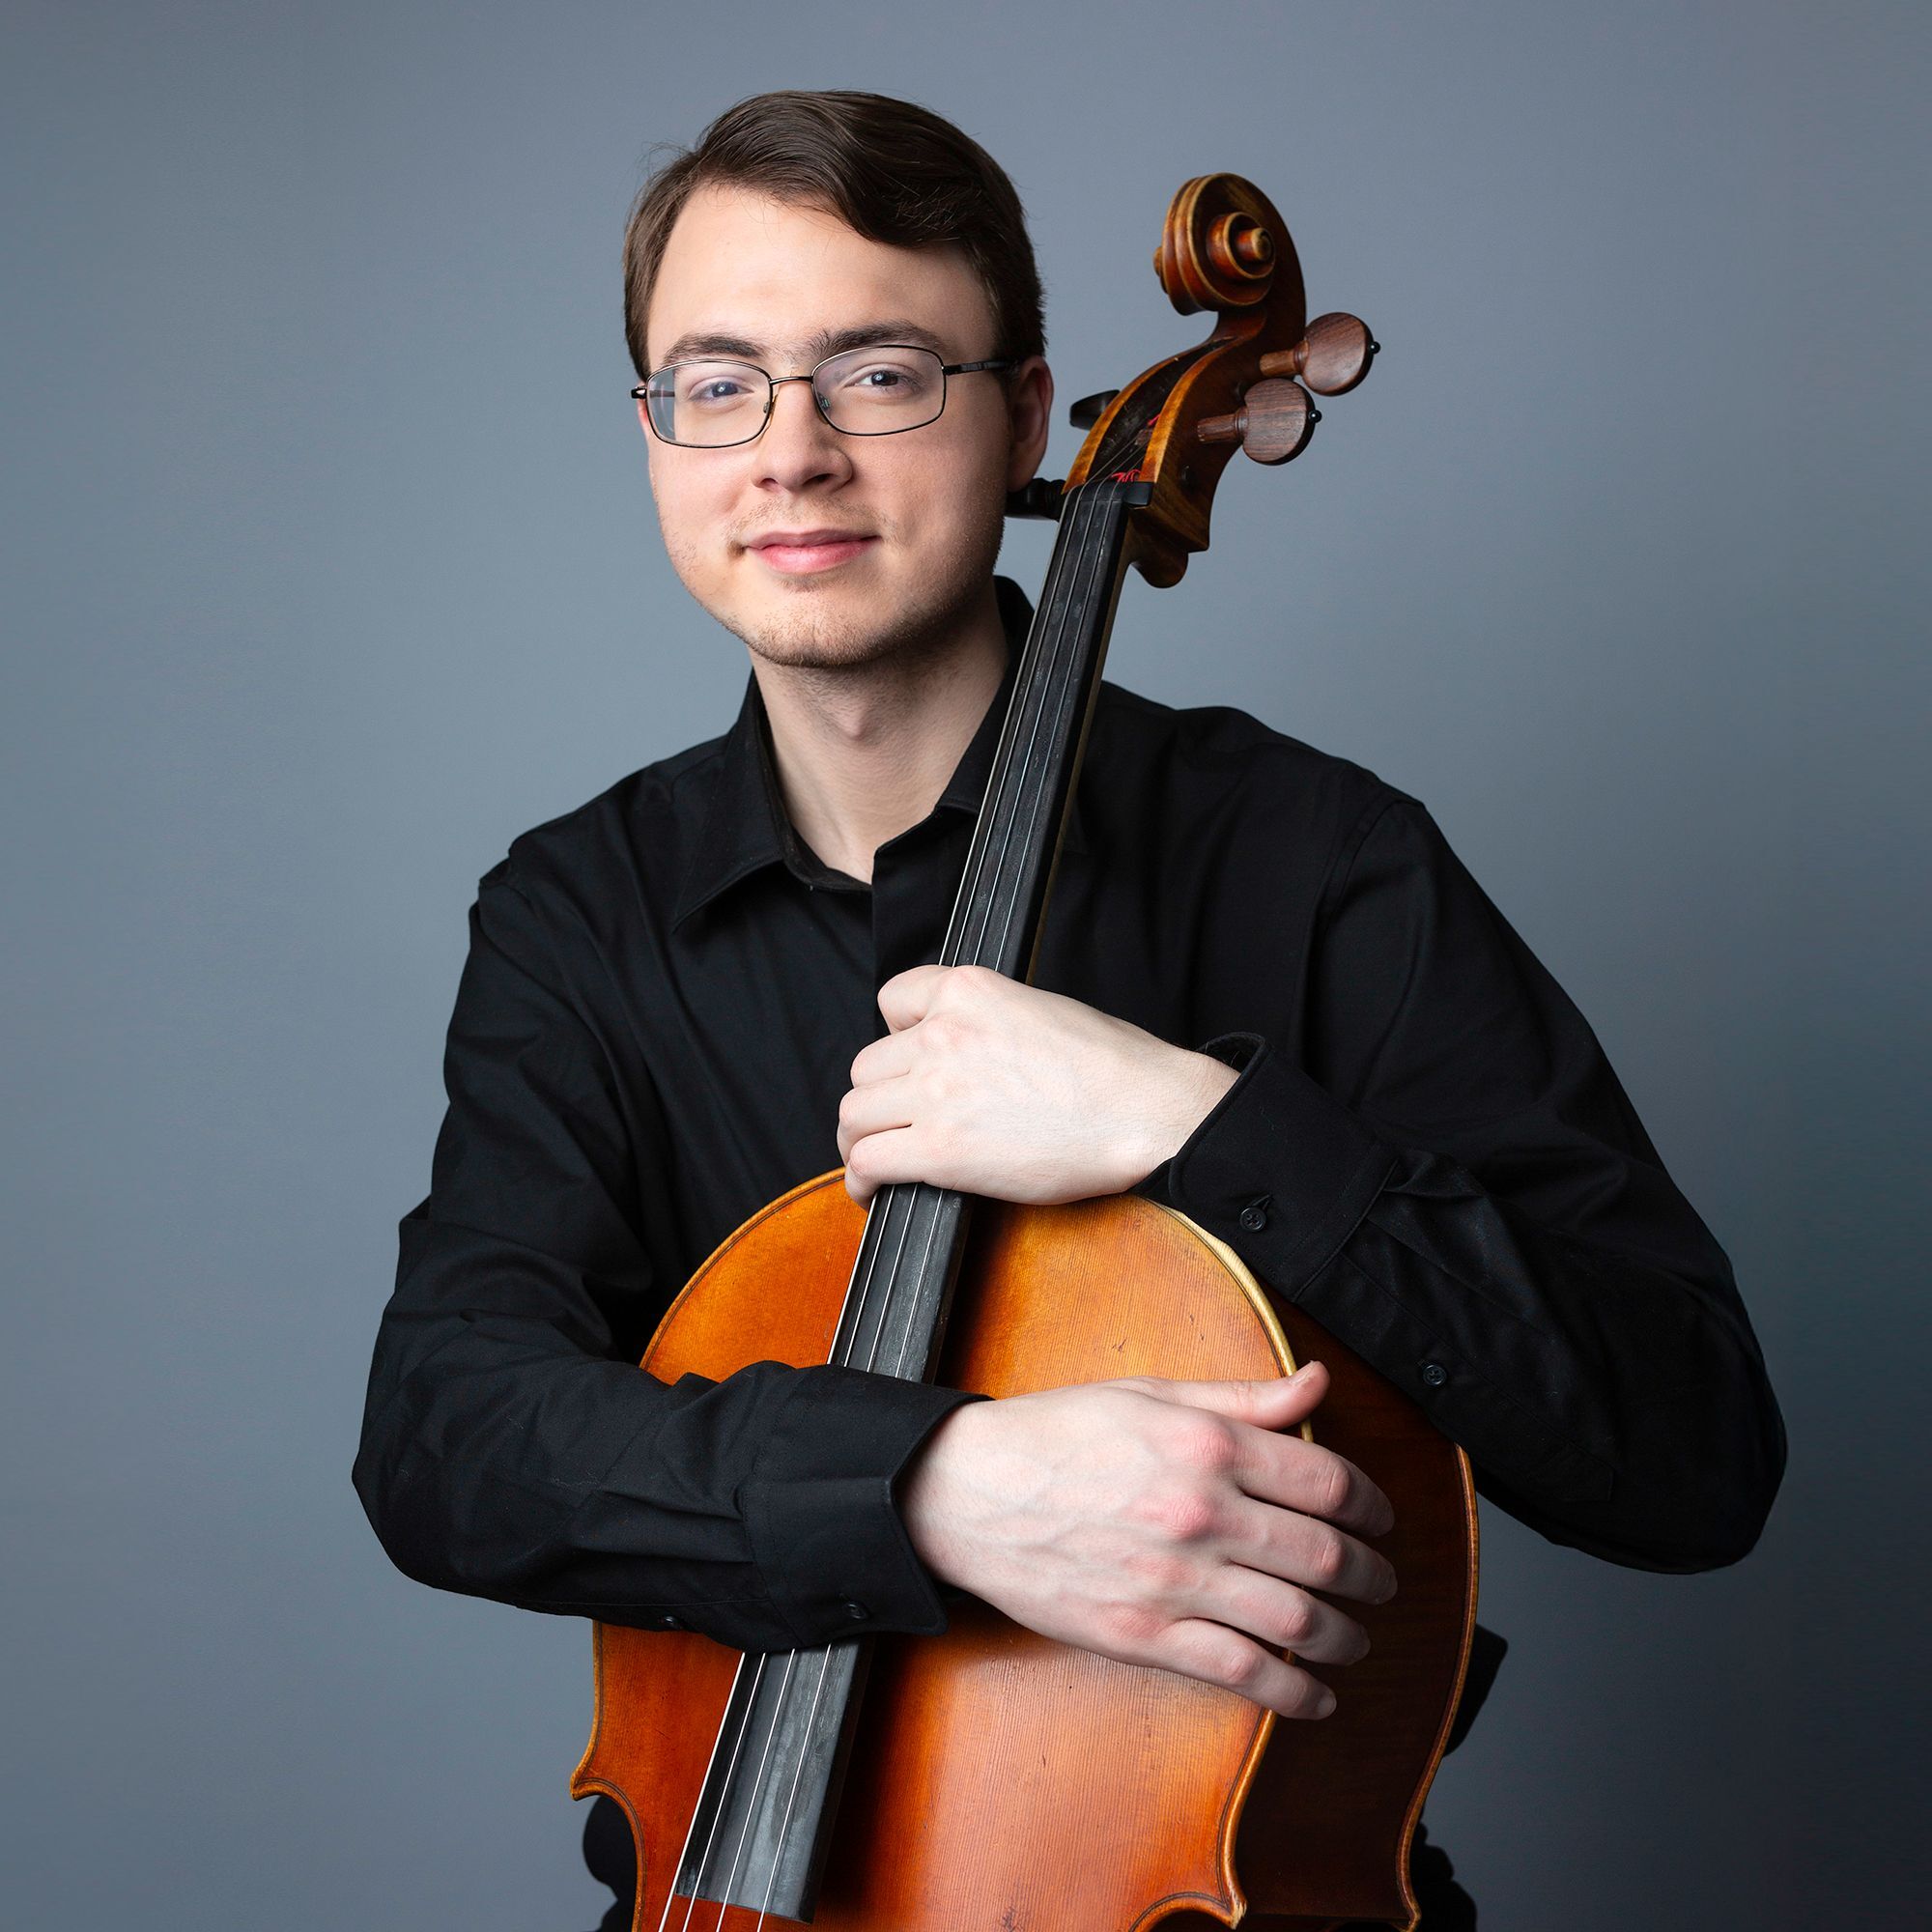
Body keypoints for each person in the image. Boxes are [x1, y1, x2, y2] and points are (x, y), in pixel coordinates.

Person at [352, 90, 1785, 1930]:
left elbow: (1690, 1452)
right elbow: (448, 1434)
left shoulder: (1316, 861)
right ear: (655, 434)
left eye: (880, 374)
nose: (790, 455)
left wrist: (1192, 1121)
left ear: (1028, 416)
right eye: (717, 384)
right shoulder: (581, 914)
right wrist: (936, 1487)